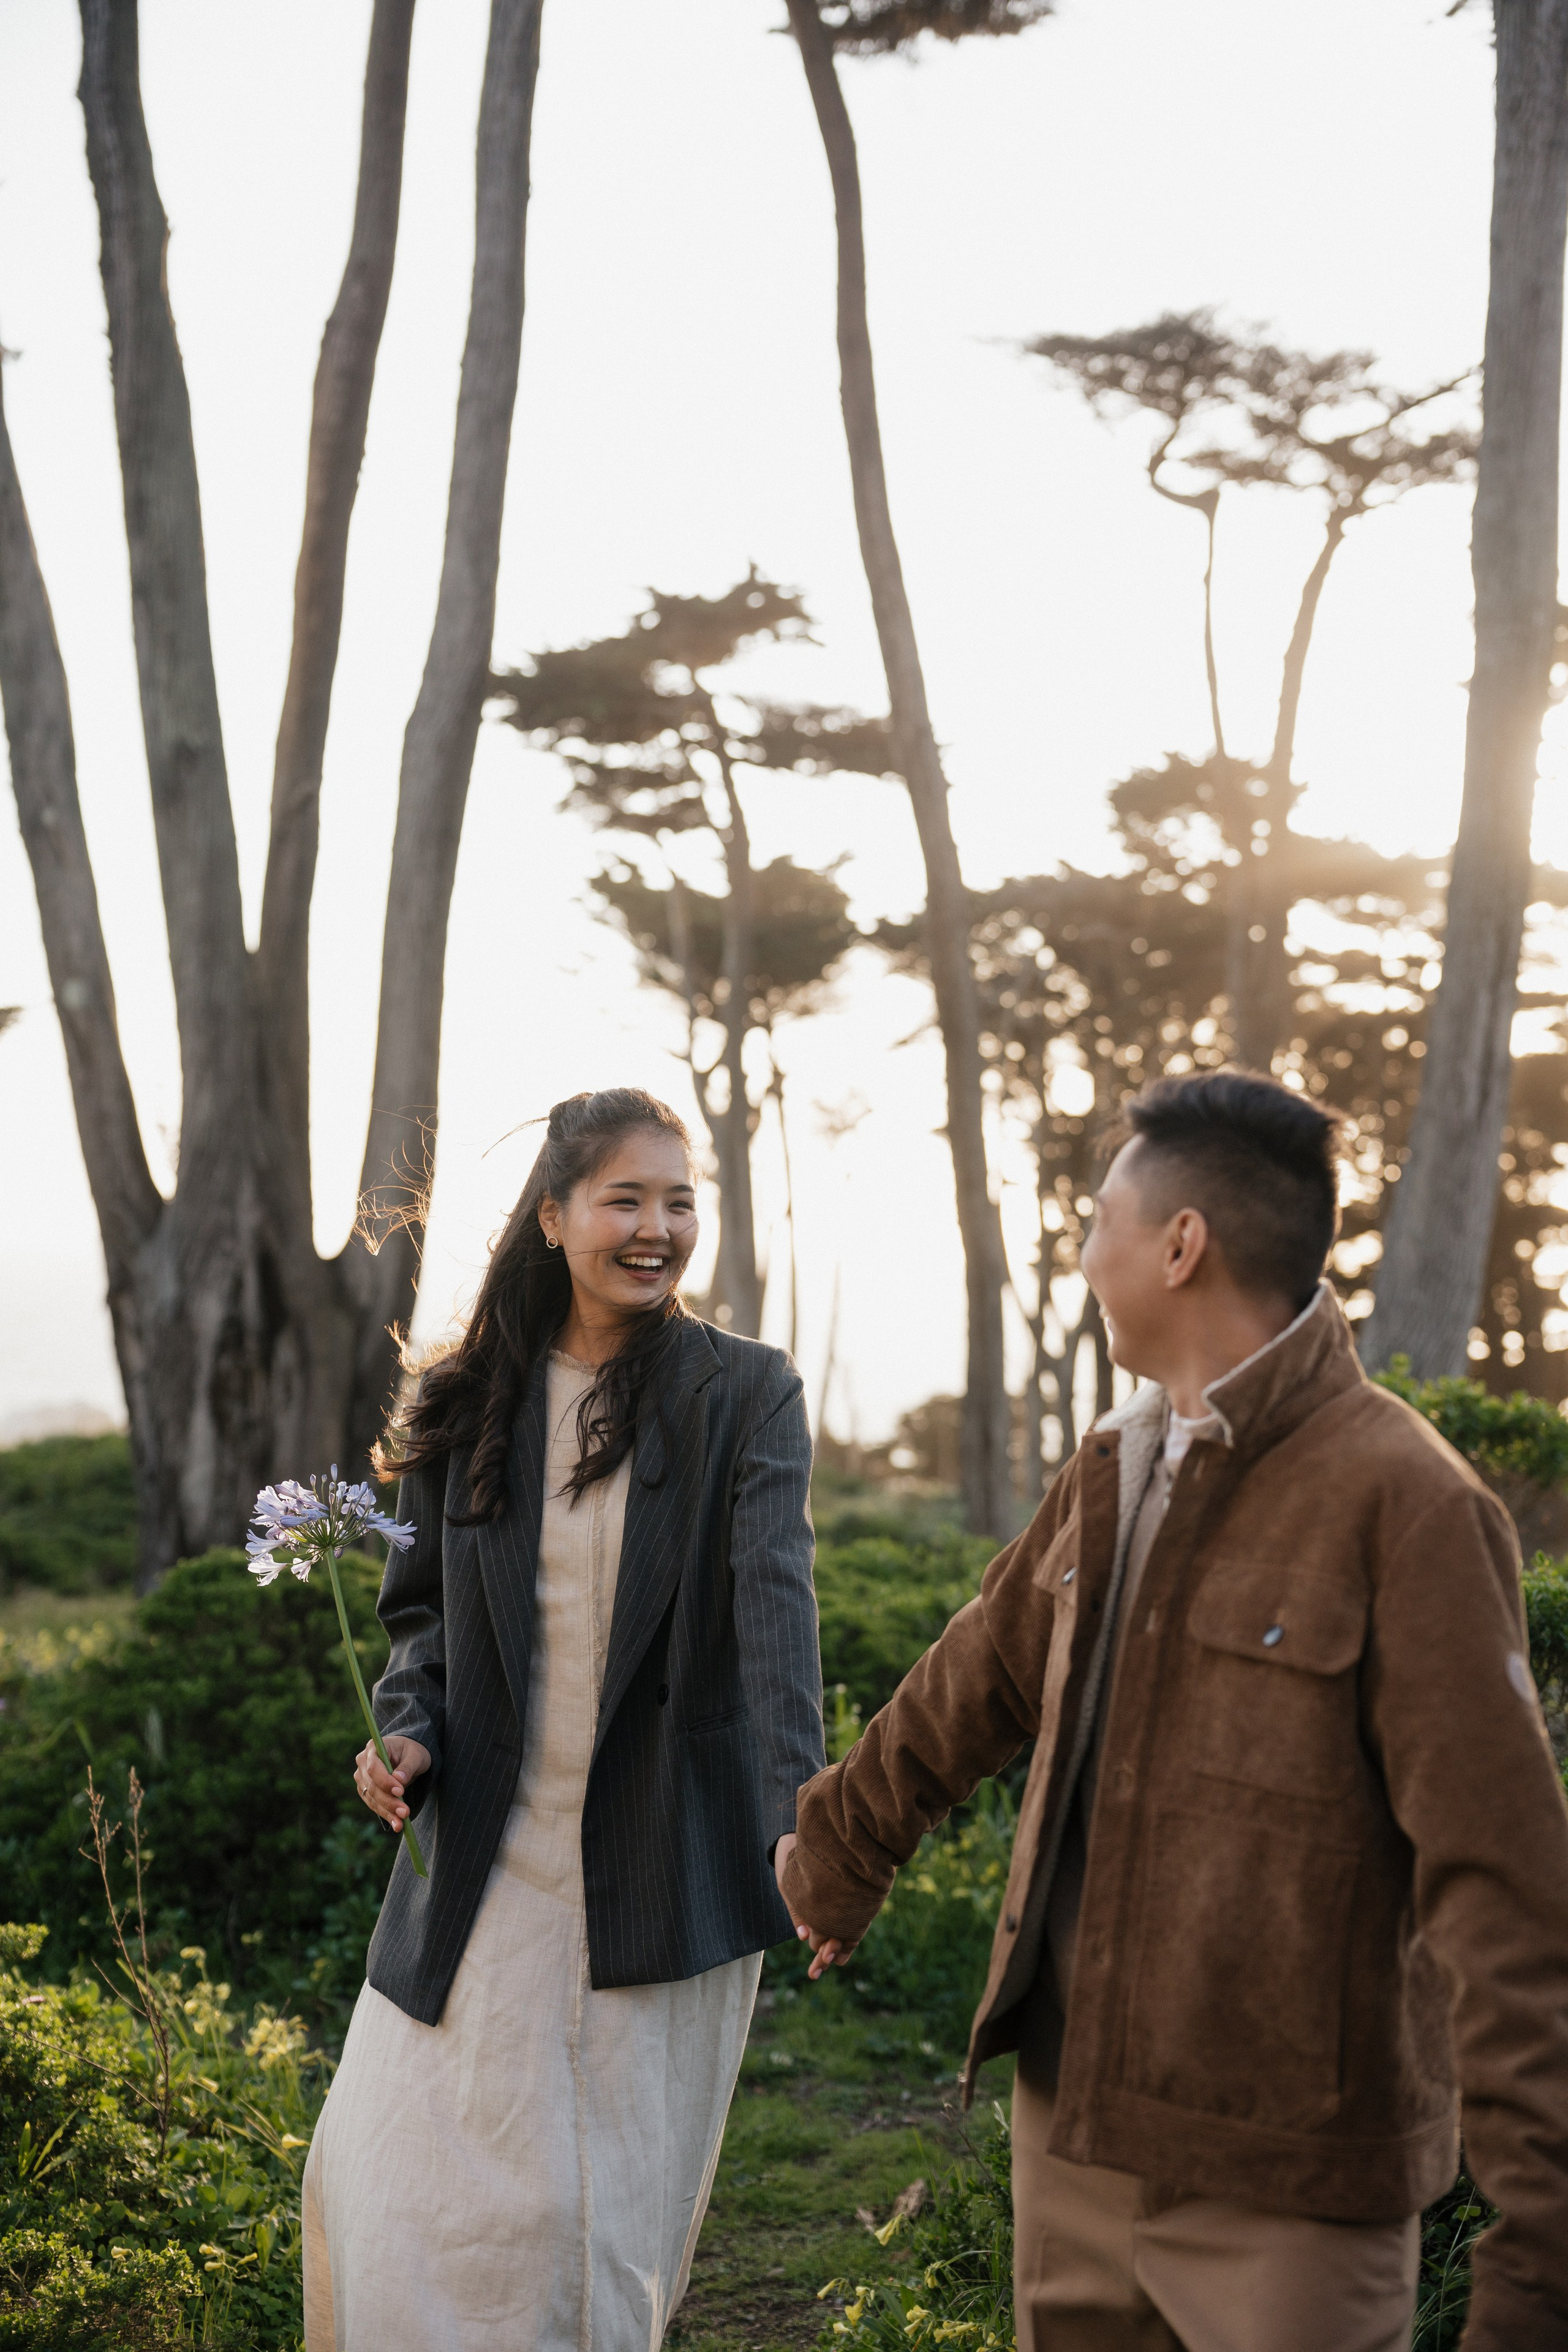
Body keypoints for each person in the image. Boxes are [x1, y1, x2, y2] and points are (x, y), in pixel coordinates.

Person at [777, 1069, 1568, 2352]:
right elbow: (972, 1677)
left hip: (1287, 2187)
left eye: (1098, 1224)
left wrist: (1541, 2272)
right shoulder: (1114, 1462)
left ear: (1180, 1245)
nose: (1085, 1257)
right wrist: (837, 1854)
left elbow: (1506, 1894)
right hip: (1070, 2134)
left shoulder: (1406, 1505)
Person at [303, 1088, 822, 2352]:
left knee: (576, 2215)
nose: (657, 1228)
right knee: (385, 2179)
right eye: (624, 1199)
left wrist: (803, 1829)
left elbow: (774, 1622)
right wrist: (408, 1732)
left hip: (656, 1853)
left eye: (678, 1200)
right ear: (552, 1217)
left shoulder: (742, 1393)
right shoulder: (470, 1398)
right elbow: (420, 1619)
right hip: (483, 1853)